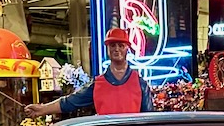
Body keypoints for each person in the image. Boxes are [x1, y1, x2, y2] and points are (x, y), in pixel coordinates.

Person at [25, 28, 155, 119]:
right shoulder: (97, 84)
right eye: (112, 45)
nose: (116, 49)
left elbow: (150, 119)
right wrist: (42, 110)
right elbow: (69, 102)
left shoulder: (140, 83)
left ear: (127, 48)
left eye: (121, 45)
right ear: (107, 49)